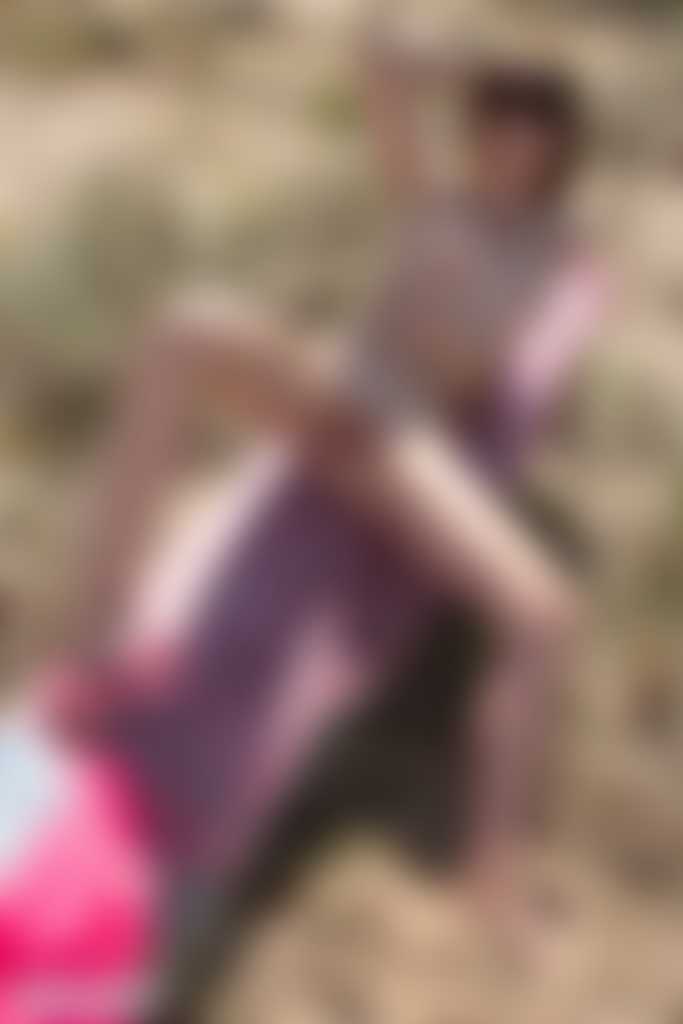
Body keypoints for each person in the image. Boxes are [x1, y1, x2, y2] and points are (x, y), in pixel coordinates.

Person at [0, 35, 605, 1024]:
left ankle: (492, 868)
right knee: (188, 325)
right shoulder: (433, 200)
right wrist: (480, 68)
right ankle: (97, 636)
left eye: (529, 128)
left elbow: (520, 377)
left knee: (543, 612)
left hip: (405, 446)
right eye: (495, 123)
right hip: (337, 389)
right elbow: (377, 65)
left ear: (556, 146)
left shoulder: (553, 259)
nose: (507, 143)